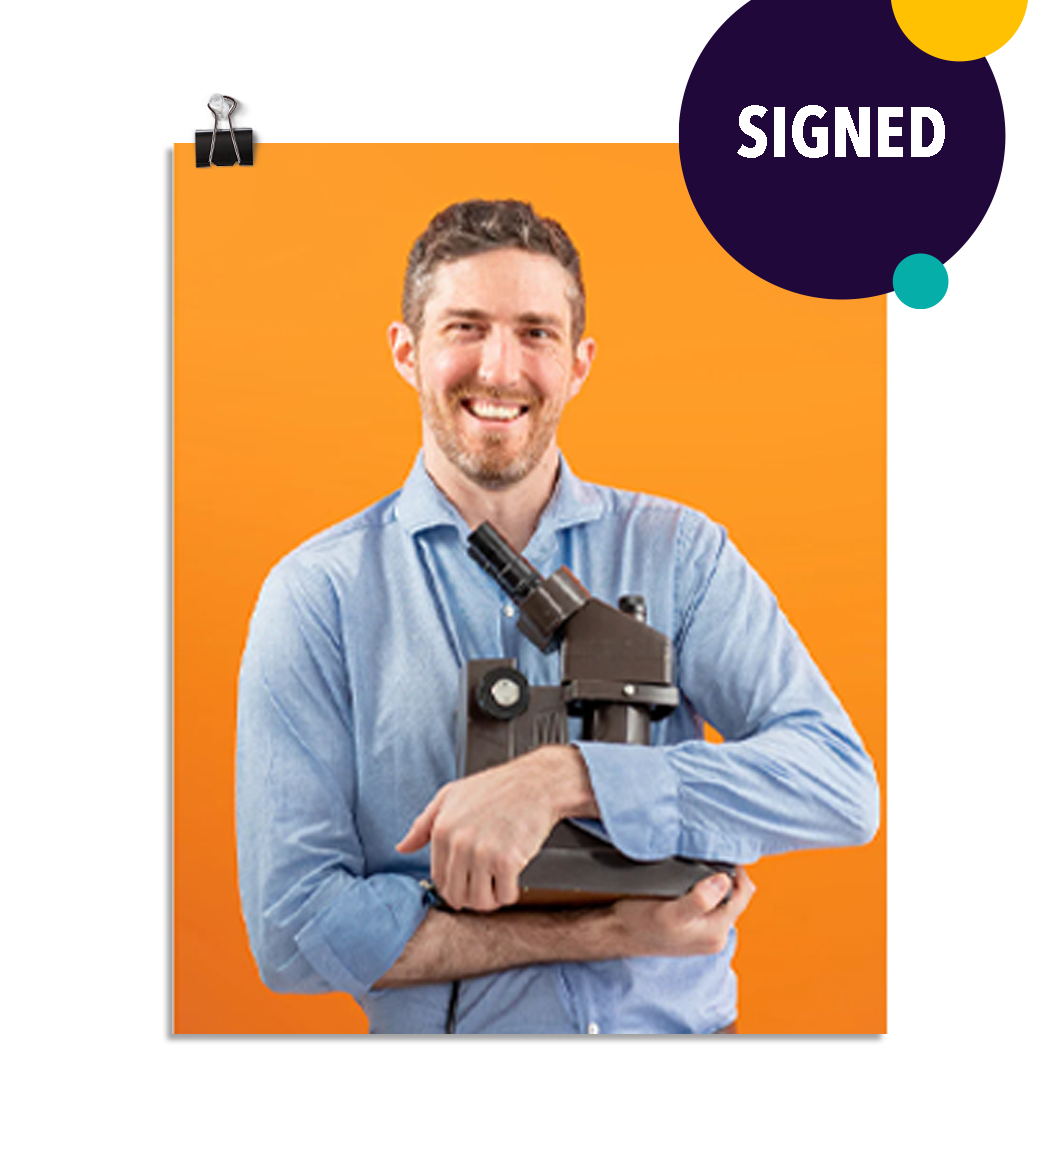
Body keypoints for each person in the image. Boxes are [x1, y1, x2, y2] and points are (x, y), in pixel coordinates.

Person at [236, 199, 879, 1035]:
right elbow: (292, 933)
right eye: (465, 327)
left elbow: (838, 785)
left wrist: (566, 779)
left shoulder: (681, 553)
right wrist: (604, 933)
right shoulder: (317, 596)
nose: (499, 369)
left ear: (578, 364)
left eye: (535, 333)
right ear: (407, 351)